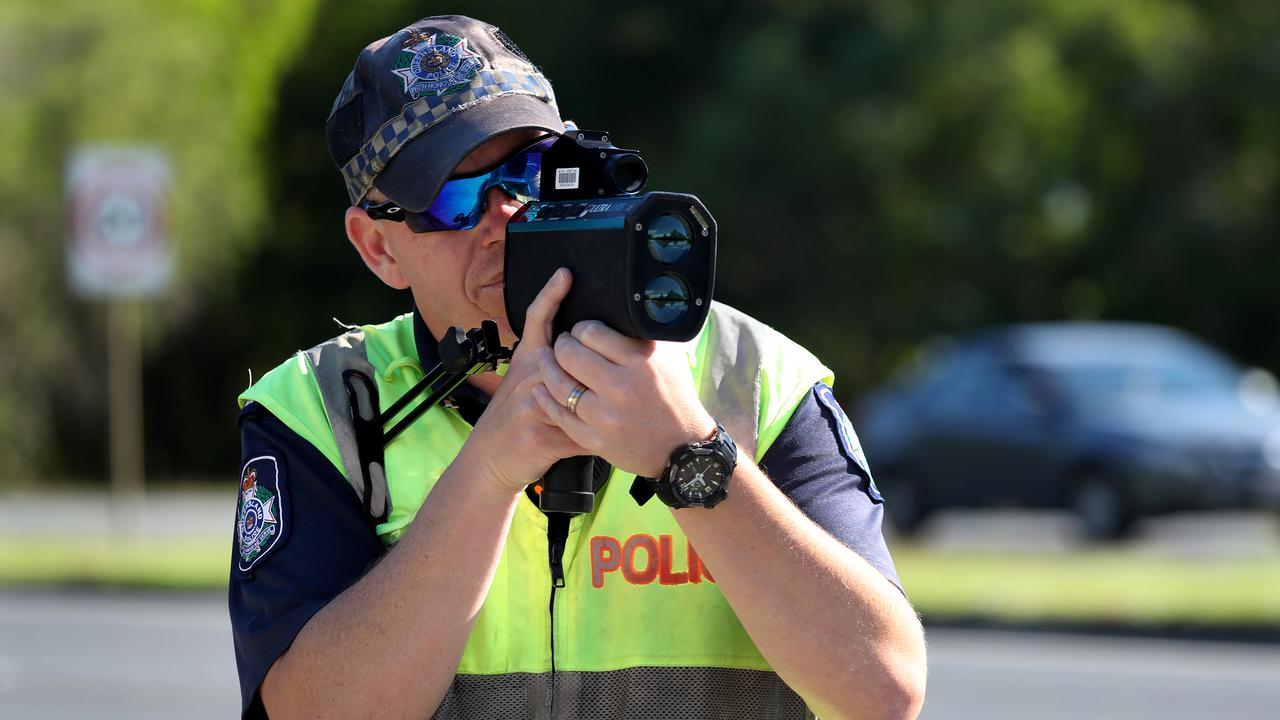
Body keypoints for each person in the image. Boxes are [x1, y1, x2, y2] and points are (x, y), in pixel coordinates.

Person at [229, 14, 927, 720]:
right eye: (454, 198)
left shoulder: (755, 377)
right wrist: (491, 468)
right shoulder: (323, 411)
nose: (506, 217)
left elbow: (884, 691)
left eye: (530, 173)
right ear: (377, 247)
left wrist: (689, 452)